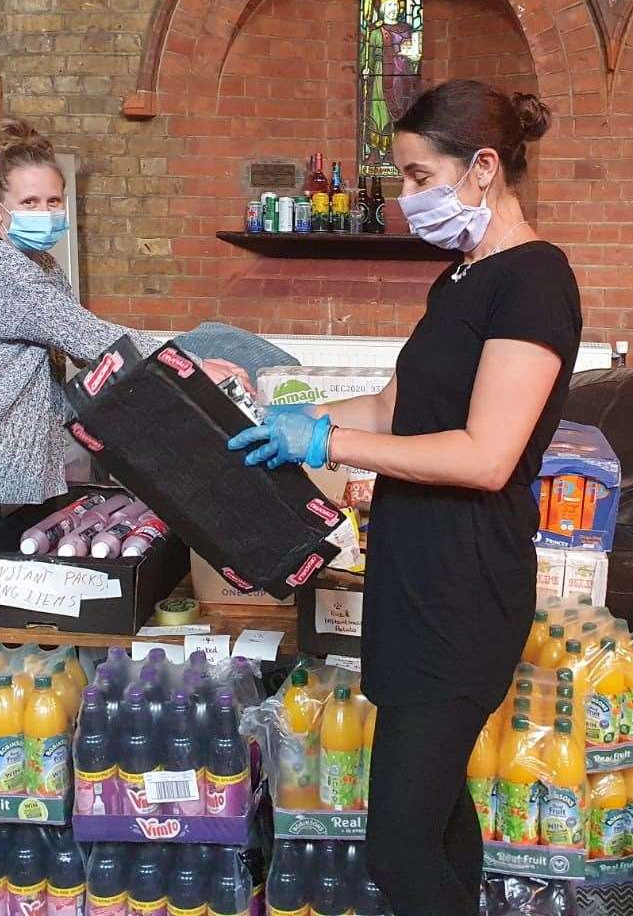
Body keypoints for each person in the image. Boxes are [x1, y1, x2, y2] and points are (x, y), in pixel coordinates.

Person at [228, 81, 582, 916]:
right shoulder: (461, 278)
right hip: (415, 575)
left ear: (484, 168)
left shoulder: (534, 282)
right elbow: (393, 408)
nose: (409, 200)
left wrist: (333, 445)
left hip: (466, 585)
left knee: (397, 846)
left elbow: (487, 456)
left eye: (421, 178)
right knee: (438, 815)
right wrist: (303, 417)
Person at [0, 119, 245, 855]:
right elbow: (97, 337)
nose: (46, 212)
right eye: (30, 200)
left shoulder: (38, 272)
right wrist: (198, 361)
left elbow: (73, 386)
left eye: (54, 198)